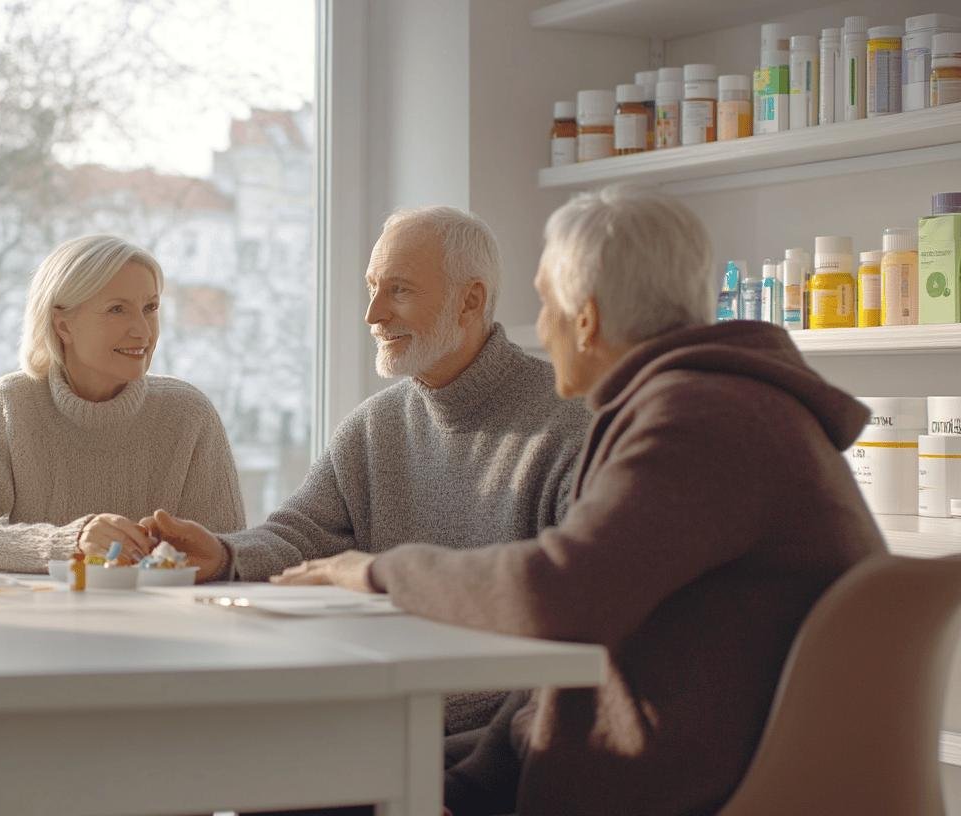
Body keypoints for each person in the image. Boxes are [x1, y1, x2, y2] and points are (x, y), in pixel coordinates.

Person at [279, 185, 885, 816]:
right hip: (666, 759)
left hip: (671, 784)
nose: (539, 329)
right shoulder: (719, 405)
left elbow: (555, 594)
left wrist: (374, 571)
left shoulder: (696, 420)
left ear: (586, 319)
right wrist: (469, 781)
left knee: (295, 792)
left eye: (544, 305)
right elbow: (580, 639)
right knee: (316, 782)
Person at [147, 205, 590, 733]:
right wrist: (223, 554)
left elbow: (572, 615)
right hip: (375, 711)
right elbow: (300, 536)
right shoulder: (375, 425)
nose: (373, 314)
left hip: (486, 744)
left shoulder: (570, 422)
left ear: (469, 301)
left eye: (399, 290)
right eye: (372, 288)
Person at [0, 234, 245, 573]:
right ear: (63, 324)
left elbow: (231, 561)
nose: (142, 331)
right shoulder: (11, 404)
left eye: (150, 308)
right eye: (117, 310)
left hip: (158, 623)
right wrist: (69, 544)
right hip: (36, 622)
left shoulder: (189, 414)